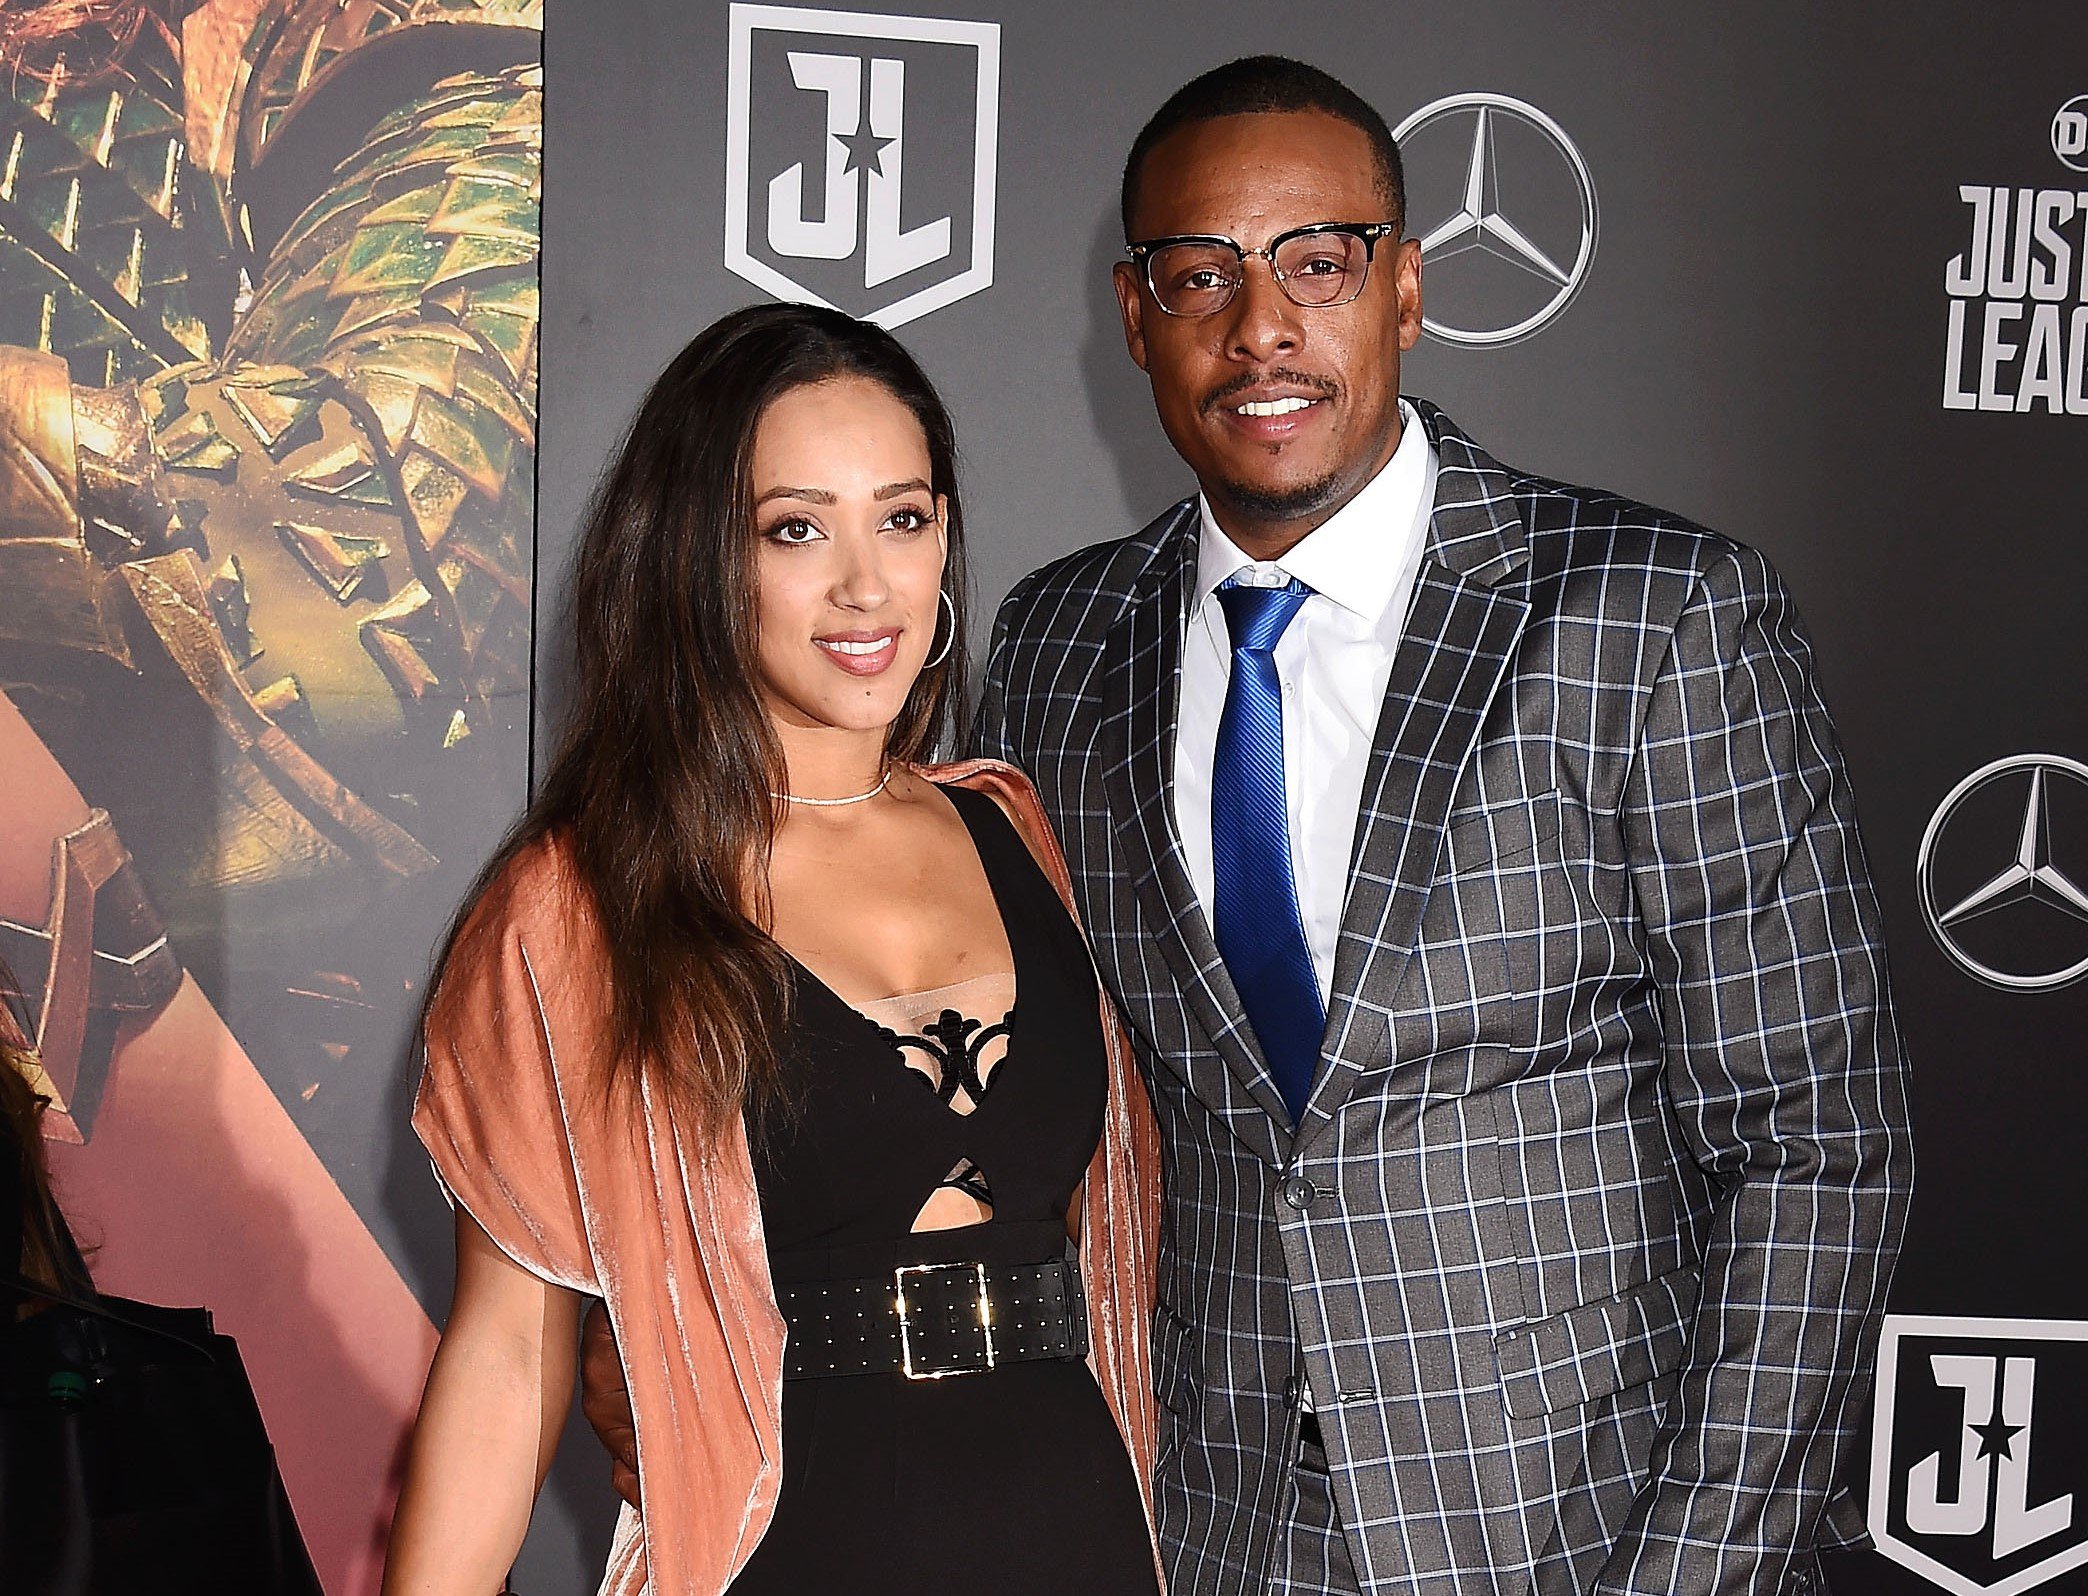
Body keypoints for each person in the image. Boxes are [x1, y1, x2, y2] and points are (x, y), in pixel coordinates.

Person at [972, 58, 1914, 1596]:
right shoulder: (1060, 642)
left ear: (1403, 289)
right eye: (1200, 274)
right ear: (1134, 315)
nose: (1259, 329)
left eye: (1315, 264)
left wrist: (1693, 1572)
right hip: (1207, 1531)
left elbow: (1813, 1143)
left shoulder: (1650, 616)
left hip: (1578, 1526)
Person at [386, 304, 1163, 1596]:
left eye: (902, 519)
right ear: (696, 558)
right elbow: (508, 1361)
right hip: (791, 1551)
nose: (866, 585)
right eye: (796, 529)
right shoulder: (579, 906)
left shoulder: (1022, 834)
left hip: (1073, 1534)